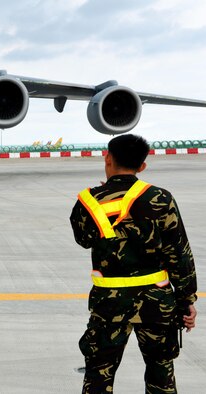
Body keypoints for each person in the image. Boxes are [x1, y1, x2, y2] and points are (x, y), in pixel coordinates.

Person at [70, 134, 197, 393]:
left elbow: (83, 239)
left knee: (98, 374)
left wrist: (102, 196)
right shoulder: (162, 198)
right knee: (161, 372)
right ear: (142, 166)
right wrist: (186, 302)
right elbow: (180, 254)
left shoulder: (89, 202)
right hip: (157, 302)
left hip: (109, 304)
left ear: (107, 158)